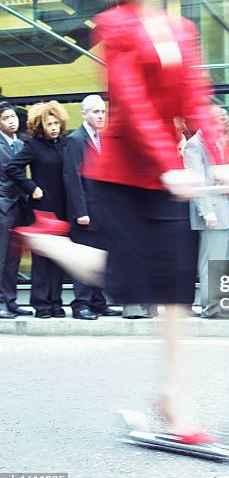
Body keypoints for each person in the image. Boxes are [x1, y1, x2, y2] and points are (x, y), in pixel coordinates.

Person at [10, 0, 229, 440]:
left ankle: (172, 399)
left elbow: (194, 97)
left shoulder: (181, 29)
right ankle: (43, 240)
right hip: (122, 172)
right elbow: (133, 102)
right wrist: (168, 163)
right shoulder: (112, 24)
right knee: (125, 279)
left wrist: (222, 155)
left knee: (176, 287)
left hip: (166, 175)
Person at [6, 101, 68, 319]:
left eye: (56, 123)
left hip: (63, 208)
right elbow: (12, 168)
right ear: (40, 126)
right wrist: (32, 188)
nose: (53, 127)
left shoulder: (64, 144)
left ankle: (56, 302)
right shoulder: (32, 145)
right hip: (42, 209)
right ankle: (41, 305)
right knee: (41, 258)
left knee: (60, 258)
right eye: (48, 124)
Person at [63, 95, 121, 320]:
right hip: (85, 213)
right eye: (95, 112)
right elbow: (72, 177)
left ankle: (98, 302)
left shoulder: (103, 139)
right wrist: (81, 211)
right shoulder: (76, 139)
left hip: (104, 211)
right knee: (84, 259)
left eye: (103, 112)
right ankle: (81, 304)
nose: (100, 116)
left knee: (99, 258)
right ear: (84, 114)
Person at [183, 106, 229, 319]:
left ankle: (219, 305)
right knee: (211, 262)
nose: (219, 126)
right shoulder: (194, 145)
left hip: (223, 210)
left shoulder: (216, 144)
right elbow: (196, 181)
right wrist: (206, 212)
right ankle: (211, 308)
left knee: (221, 262)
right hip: (211, 213)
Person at [0, 102, 33, 319]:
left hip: (19, 206)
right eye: (6, 118)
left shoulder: (21, 144)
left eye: (14, 117)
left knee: (13, 258)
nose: (13, 121)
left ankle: (11, 301)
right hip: (2, 204)